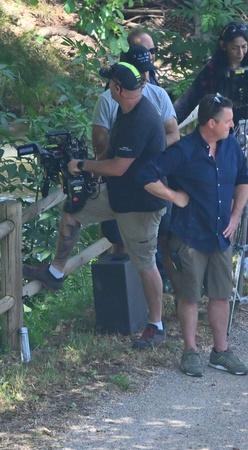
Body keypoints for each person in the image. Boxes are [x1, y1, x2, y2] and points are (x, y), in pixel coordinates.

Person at [23, 62, 168, 350]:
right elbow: (112, 156)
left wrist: (82, 165)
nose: (107, 87)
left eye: (110, 83)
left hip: (141, 204)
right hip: (118, 194)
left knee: (145, 264)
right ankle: (55, 272)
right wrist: (94, 173)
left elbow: (118, 167)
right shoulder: (126, 110)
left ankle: (156, 325)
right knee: (73, 209)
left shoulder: (141, 119)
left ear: (118, 88)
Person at [139, 94, 248, 377]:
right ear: (211, 123)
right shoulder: (184, 150)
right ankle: (190, 351)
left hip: (221, 235)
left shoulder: (230, 146)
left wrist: (236, 216)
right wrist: (173, 196)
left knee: (221, 295)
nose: (232, 125)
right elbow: (146, 175)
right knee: (189, 297)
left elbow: (244, 179)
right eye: (228, 120)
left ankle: (221, 351)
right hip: (190, 236)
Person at [173, 22, 248, 282]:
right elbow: (189, 100)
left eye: (244, 47)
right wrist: (168, 123)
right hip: (227, 139)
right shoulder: (214, 70)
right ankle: (225, 251)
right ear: (224, 46)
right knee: (228, 195)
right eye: (235, 48)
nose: (240, 52)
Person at [91, 45, 179, 292]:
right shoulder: (107, 101)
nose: (144, 77)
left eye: (147, 70)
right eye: (139, 72)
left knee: (164, 241)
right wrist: (107, 163)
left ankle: (176, 295)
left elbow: (174, 134)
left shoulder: (157, 96)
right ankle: (125, 299)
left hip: (154, 182)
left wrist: (144, 150)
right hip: (119, 186)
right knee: (118, 241)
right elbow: (101, 143)